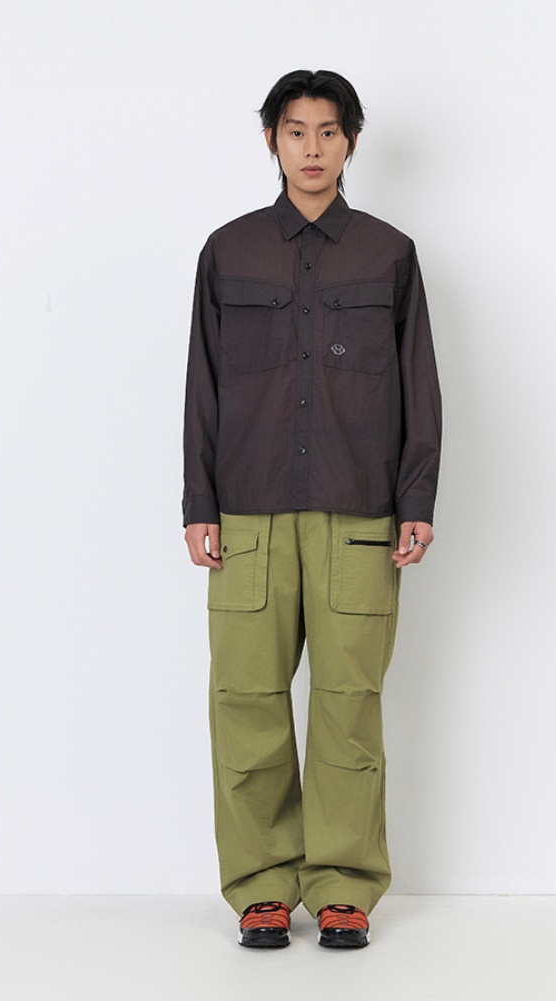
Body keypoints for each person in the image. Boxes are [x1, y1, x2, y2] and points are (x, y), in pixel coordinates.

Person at [182, 69, 441, 949]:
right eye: (295, 131)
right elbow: (202, 384)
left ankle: (342, 885)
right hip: (246, 517)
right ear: (271, 140)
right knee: (245, 700)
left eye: (329, 132)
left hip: (358, 516)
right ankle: (259, 884)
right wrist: (199, 502)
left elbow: (418, 382)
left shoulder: (387, 253)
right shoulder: (228, 251)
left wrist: (415, 497)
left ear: (351, 141)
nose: (312, 148)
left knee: (346, 706)